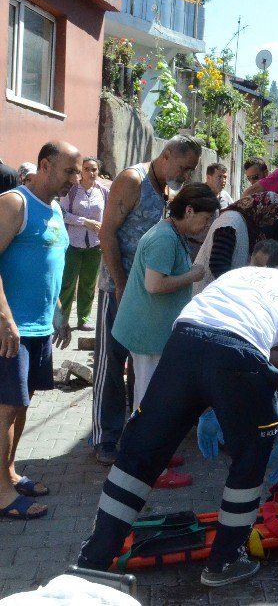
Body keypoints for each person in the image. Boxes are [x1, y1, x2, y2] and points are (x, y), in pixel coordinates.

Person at [77, 251, 278, 587]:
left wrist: (207, 408)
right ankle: (225, 561)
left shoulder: (240, 276)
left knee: (140, 453)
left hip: (184, 343)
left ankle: (92, 560)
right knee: (251, 453)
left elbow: (208, 336)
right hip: (239, 351)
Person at [93, 135, 202, 466]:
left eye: (191, 170)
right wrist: (122, 283)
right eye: (184, 167)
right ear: (166, 156)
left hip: (146, 294)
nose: (186, 175)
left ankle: (133, 434)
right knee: (111, 362)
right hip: (118, 288)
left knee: (139, 367)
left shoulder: (167, 188)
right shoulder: (132, 179)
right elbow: (106, 233)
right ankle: (104, 437)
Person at [111, 184, 218, 489]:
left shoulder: (172, 233)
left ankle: (151, 456)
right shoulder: (163, 238)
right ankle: (146, 468)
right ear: (188, 211)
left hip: (152, 332)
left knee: (150, 400)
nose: (206, 225)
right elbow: (155, 285)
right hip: (147, 334)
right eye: (205, 218)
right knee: (147, 403)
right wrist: (192, 276)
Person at [0, 141, 80, 520]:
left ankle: (9, 472)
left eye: (78, 172)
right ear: (45, 166)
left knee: (21, 405)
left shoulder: (54, 209)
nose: (75, 179)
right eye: (69, 171)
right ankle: (0, 493)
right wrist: (4, 318)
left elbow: (48, 264)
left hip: (38, 328)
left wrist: (59, 311)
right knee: (4, 409)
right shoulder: (15, 203)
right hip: (10, 329)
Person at [193, 192, 278, 293]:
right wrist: (236, 290)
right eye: (270, 217)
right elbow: (218, 264)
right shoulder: (231, 222)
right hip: (211, 293)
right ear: (263, 210)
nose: (269, 222)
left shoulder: (244, 222)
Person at [59, 156, 108, 331]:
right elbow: (62, 214)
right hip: (72, 244)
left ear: (98, 172)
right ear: (81, 172)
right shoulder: (72, 191)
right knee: (67, 283)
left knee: (88, 285)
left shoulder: (103, 192)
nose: (91, 172)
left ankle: (84, 319)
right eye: (87, 169)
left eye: (94, 169)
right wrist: (85, 222)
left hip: (94, 245)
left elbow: (108, 216)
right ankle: (61, 320)